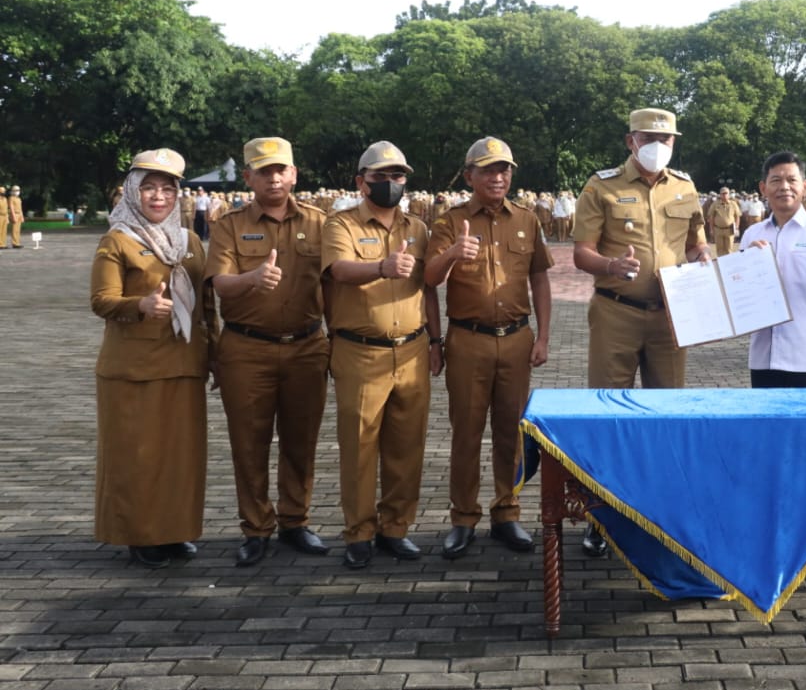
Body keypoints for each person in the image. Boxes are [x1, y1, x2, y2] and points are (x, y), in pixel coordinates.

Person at [573, 107, 711, 556]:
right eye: (648, 137)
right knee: (609, 414)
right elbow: (581, 253)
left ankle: (660, 513)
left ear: (674, 143)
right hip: (617, 313)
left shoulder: (685, 186)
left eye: (665, 139)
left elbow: (695, 242)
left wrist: (703, 256)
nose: (657, 146)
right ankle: (601, 516)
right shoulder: (602, 186)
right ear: (630, 141)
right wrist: (610, 265)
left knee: (666, 414)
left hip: (670, 316)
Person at [424, 137, 552, 559]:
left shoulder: (527, 219)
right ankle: (463, 518)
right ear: (469, 176)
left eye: (504, 169)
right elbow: (428, 279)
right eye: (488, 170)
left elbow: (539, 278)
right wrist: (453, 253)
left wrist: (544, 335)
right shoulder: (450, 222)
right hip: (468, 340)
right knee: (466, 432)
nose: (498, 177)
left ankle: (506, 512)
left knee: (511, 431)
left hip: (516, 339)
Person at [90, 149, 218, 568]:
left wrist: (215, 354)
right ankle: (140, 535)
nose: (159, 197)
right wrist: (140, 305)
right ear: (132, 192)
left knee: (180, 457)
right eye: (149, 188)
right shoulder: (119, 240)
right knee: (138, 456)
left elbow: (207, 304)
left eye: (167, 189)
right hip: (135, 369)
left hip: (184, 364)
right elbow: (101, 300)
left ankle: (173, 530)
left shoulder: (189, 241)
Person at [206, 137, 331, 566]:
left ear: (294, 174)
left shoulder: (320, 223)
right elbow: (220, 283)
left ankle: (295, 520)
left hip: (306, 346)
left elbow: (335, 282)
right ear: (248, 177)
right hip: (247, 349)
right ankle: (256, 526)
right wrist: (252, 279)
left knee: (301, 440)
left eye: (281, 170)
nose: (274, 178)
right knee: (249, 443)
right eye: (264, 171)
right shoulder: (229, 224)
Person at [322, 140, 437, 569]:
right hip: (360, 352)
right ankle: (359, 532)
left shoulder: (418, 228)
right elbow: (338, 270)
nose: (391, 183)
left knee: (407, 447)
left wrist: (437, 340)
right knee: (359, 446)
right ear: (361, 181)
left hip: (412, 349)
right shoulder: (342, 225)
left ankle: (396, 527)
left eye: (398, 176)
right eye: (381, 176)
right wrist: (381, 268)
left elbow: (428, 289)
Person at [740, 152, 806, 387]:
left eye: (792, 180)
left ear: (805, 186)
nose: (784, 187)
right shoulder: (752, 234)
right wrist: (746, 266)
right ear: (763, 188)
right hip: (764, 356)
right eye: (776, 180)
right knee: (767, 413)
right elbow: (740, 291)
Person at [708, 187, 741, 256]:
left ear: (729, 194)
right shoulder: (715, 204)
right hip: (718, 229)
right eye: (722, 194)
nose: (724, 195)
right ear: (720, 195)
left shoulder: (733, 204)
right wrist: (711, 229)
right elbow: (711, 217)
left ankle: (728, 262)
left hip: (729, 230)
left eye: (726, 193)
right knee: (719, 249)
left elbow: (737, 216)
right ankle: (721, 262)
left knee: (729, 249)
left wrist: (736, 227)